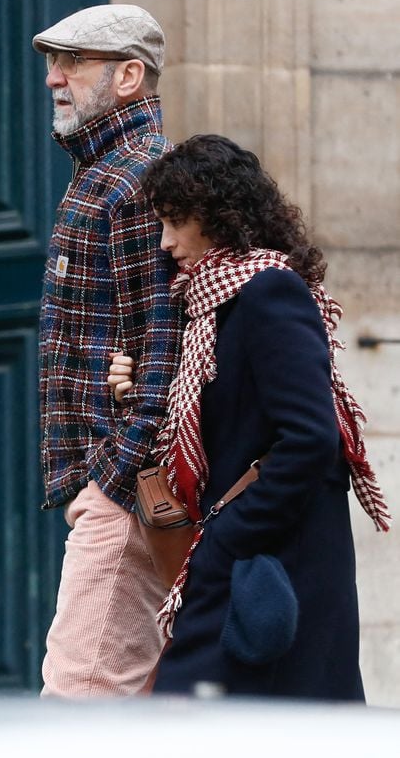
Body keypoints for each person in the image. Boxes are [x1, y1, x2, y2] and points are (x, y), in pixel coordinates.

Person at [109, 133, 390, 700]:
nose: (165, 243)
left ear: (217, 214)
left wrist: (227, 540)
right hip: (246, 565)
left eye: (175, 221)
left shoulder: (269, 291)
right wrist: (139, 392)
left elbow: (310, 438)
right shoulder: (211, 306)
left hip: (278, 564)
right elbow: (229, 418)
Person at [32, 4, 183, 697]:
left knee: (78, 703)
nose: (53, 79)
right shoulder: (104, 173)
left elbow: (163, 344)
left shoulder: (137, 180)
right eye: (50, 63)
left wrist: (114, 481)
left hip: (124, 490)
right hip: (109, 485)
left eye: (72, 63)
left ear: (128, 76)